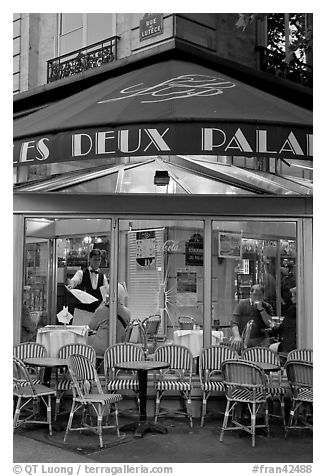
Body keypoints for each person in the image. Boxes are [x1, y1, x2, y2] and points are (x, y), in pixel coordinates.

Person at [67, 249, 109, 325]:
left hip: (95, 313)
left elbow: (106, 294)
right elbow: (74, 281)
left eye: (99, 260)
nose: (97, 262)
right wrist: (71, 285)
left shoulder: (103, 277)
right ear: (90, 259)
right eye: (95, 259)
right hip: (81, 312)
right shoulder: (81, 273)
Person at [87, 283, 131, 355]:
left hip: (102, 350)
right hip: (119, 349)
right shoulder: (127, 312)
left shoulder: (102, 310)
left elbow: (91, 326)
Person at [230, 284, 275, 353]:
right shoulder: (242, 304)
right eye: (255, 295)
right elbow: (234, 322)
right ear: (250, 294)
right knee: (235, 344)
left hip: (260, 339)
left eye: (260, 295)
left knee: (269, 346)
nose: (257, 297)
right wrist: (236, 336)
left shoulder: (267, 306)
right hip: (243, 337)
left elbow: (270, 323)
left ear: (263, 296)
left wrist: (261, 309)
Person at [271, 287, 297, 353]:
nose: (291, 299)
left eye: (293, 296)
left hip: (288, 346)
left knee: (271, 348)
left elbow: (282, 328)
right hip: (294, 342)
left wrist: (273, 326)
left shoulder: (292, 310)